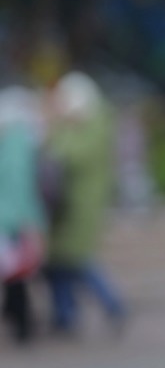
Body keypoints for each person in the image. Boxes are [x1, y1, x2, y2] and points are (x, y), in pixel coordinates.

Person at [41, 71, 127, 335]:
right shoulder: (75, 124)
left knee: (76, 259)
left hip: (81, 204)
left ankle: (111, 304)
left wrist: (57, 128)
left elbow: (69, 154)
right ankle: (65, 315)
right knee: (58, 263)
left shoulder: (94, 122)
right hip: (64, 205)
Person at [0, 85, 47, 343]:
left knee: (16, 273)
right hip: (15, 216)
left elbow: (17, 185)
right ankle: (17, 317)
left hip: (13, 218)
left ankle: (22, 323)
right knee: (15, 274)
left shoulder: (15, 141)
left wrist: (21, 219)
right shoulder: (23, 137)